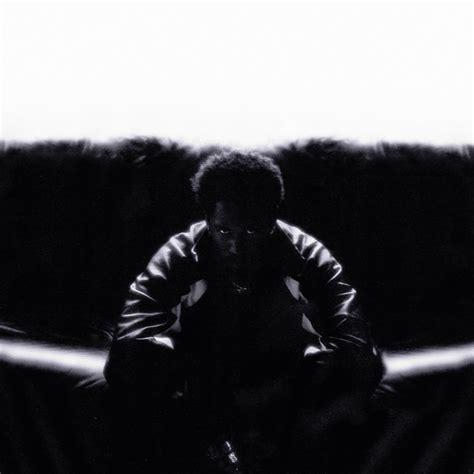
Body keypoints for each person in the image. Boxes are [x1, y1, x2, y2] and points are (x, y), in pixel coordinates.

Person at [104, 150, 384, 473]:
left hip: (284, 407)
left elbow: (358, 351)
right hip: (200, 403)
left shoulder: (309, 258)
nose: (237, 248)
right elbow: (128, 353)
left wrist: (288, 410)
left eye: (252, 232)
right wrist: (202, 418)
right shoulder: (179, 257)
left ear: (272, 221)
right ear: (208, 220)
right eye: (224, 232)